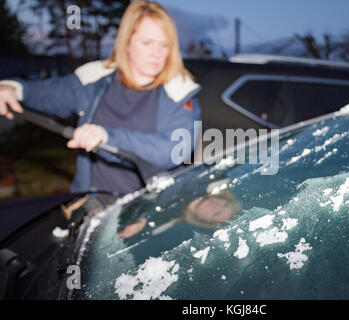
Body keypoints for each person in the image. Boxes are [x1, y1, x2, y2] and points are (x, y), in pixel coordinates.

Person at [0, 1, 201, 201]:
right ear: (127, 42)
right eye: (147, 42)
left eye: (164, 44)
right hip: (92, 204)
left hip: (151, 207)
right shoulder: (95, 79)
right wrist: (15, 89)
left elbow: (173, 150)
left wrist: (106, 137)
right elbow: (49, 94)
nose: (156, 53)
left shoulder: (179, 92)